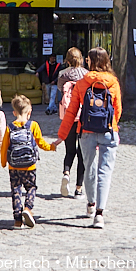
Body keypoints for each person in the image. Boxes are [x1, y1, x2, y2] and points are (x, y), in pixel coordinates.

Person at [52, 47, 121, 229]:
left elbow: (71, 112)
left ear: (92, 62)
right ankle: (100, 213)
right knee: (104, 171)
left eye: (89, 60)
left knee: (89, 167)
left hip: (86, 131)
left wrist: (61, 136)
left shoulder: (83, 83)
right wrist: (111, 124)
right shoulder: (113, 82)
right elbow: (118, 110)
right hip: (108, 130)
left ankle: (91, 204)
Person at [1, 94, 56, 229]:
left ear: (14, 112)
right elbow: (41, 143)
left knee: (16, 190)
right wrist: (52, 147)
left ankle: (17, 221)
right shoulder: (33, 125)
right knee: (31, 187)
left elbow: (4, 147)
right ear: (29, 112)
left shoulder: (10, 127)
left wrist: (3, 162)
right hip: (30, 166)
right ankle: (28, 208)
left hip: (13, 167)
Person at [55, 47, 88, 198]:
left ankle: (66, 173)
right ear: (81, 59)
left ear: (67, 60)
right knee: (82, 153)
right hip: (83, 116)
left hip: (69, 116)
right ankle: (78, 189)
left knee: (69, 150)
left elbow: (60, 91)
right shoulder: (86, 75)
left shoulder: (63, 74)